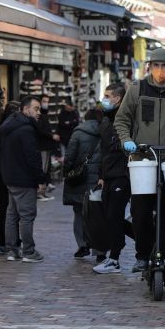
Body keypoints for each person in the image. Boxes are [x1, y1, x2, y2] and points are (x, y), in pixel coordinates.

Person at [114, 48, 165, 273]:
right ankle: (142, 255)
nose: (160, 70)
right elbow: (121, 120)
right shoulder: (136, 89)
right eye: (156, 65)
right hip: (143, 158)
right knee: (141, 211)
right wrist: (127, 141)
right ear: (149, 66)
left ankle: (160, 254)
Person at [93, 84, 136, 273]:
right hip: (109, 176)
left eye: (107, 96)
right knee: (111, 217)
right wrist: (101, 175)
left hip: (122, 175)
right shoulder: (106, 121)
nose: (104, 99)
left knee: (114, 216)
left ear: (117, 99)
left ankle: (115, 258)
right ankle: (148, 240)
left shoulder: (126, 119)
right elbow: (104, 151)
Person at [0, 96, 46, 263]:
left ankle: (12, 250)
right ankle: (28, 251)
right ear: (26, 110)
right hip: (23, 178)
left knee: (12, 215)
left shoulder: (9, 127)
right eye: (36, 109)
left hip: (11, 178)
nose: (39, 112)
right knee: (26, 215)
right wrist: (41, 178)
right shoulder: (25, 129)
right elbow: (33, 157)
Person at [63, 108, 104, 259]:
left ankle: (83, 245)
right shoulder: (106, 131)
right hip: (99, 180)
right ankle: (100, 251)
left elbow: (69, 156)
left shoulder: (78, 132)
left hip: (80, 179)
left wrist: (66, 173)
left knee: (79, 213)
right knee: (99, 215)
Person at [0, 101, 21, 255]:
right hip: (7, 175)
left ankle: (3, 243)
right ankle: (6, 243)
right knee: (8, 211)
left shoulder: (1, 129)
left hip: (1, 174)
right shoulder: (8, 130)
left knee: (5, 211)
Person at [37, 95, 60, 198]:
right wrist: (51, 136)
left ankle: (43, 190)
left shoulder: (44, 114)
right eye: (44, 101)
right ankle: (40, 192)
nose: (46, 103)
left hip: (45, 146)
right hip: (42, 146)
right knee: (42, 169)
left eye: (47, 101)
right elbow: (40, 130)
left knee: (45, 169)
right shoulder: (40, 115)